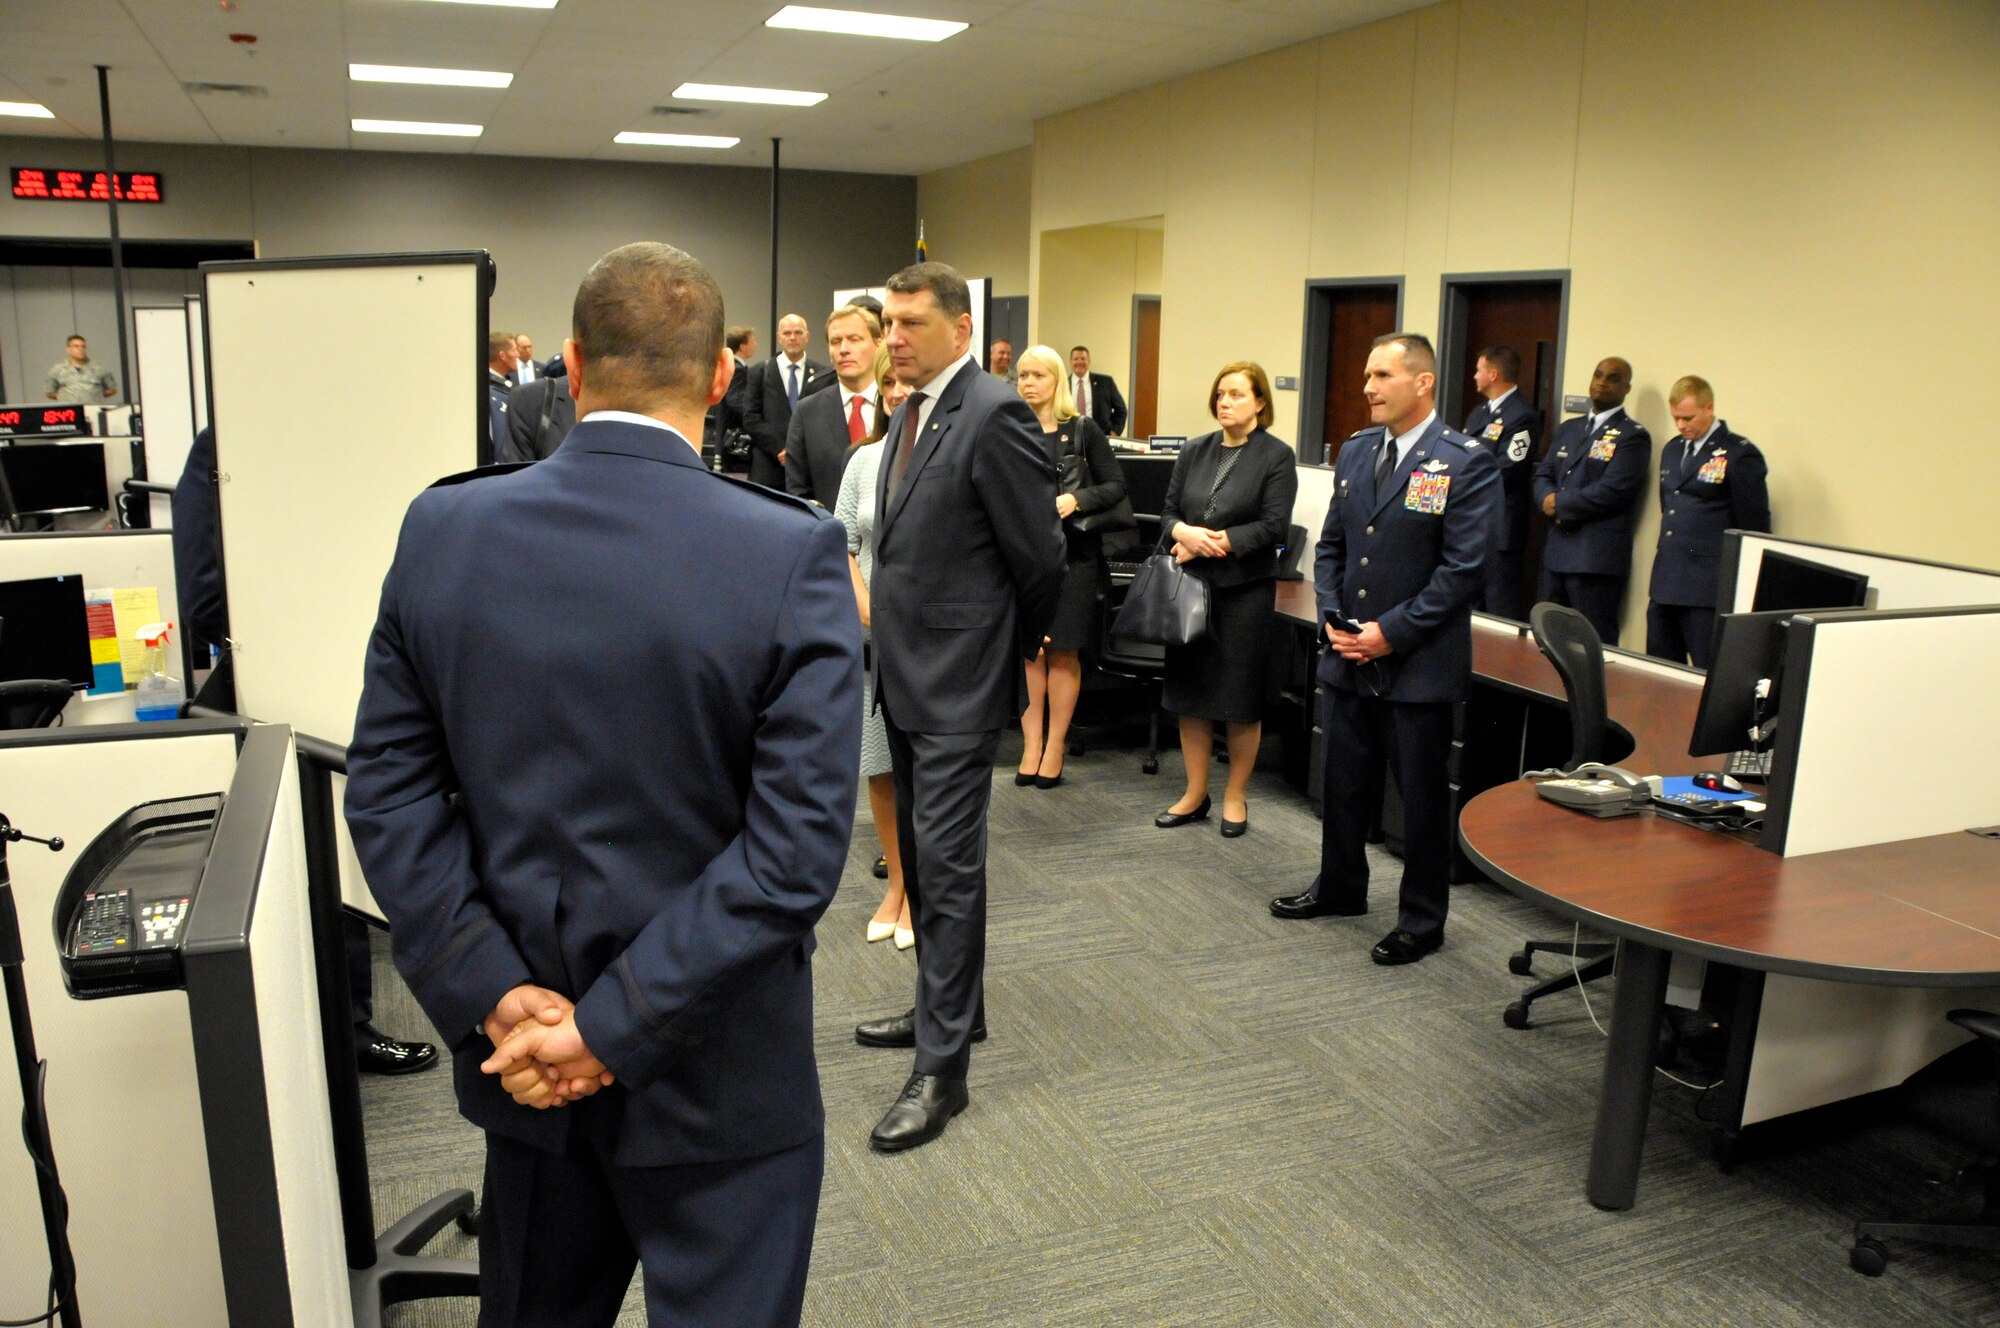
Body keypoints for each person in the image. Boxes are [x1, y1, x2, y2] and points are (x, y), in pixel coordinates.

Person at [345, 241, 860, 1327]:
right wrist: (611, 1027)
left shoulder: (444, 528)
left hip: (521, 1062)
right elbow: (792, 853)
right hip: (716, 1081)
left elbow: (388, 793)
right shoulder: (790, 554)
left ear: (570, 369)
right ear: (721, 376)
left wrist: (494, 992)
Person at [852, 261, 1065, 1153]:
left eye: (909, 323)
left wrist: (1002, 654)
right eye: (888, 322)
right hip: (906, 674)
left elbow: (1041, 555)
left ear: (960, 330)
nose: (893, 337)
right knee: (927, 861)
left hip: (959, 683)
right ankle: (953, 1012)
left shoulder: (993, 411)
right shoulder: (910, 407)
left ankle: (943, 1074)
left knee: (944, 866)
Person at [169, 424, 439, 1075]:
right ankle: (339, 1028)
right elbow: (206, 596)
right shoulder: (229, 445)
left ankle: (348, 1020)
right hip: (280, 677)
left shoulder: (378, 442)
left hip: (378, 666)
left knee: (360, 846)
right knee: (310, 856)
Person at [1271, 333, 1498, 966]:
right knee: (1340, 784)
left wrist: (1388, 633)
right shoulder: (1358, 450)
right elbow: (1336, 545)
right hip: (1349, 653)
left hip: (1416, 663)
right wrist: (1336, 619)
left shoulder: (1465, 461)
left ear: (1422, 382)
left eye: (1381, 375)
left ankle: (1422, 921)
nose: (1367, 387)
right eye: (1367, 375)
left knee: (1419, 800)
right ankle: (1340, 887)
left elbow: (1463, 572)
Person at [1152, 361, 1297, 838]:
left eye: (1236, 394)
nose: (1225, 402)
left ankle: (1235, 794)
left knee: (1238, 700)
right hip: (1191, 590)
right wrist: (1184, 532)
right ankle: (1196, 793)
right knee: (1190, 696)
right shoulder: (1195, 450)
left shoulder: (1275, 455)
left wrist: (1221, 541)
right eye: (1220, 394)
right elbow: (1168, 513)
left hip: (1244, 593)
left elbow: (1274, 526)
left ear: (1260, 402)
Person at [1014, 343, 1126, 789]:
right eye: (1022, 376)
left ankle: (1055, 745)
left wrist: (1075, 498)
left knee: (1061, 652)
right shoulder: (1009, 428)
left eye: (1037, 376)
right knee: (1030, 651)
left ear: (1056, 380)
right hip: (1024, 560)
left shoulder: (1081, 429)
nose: (1028, 384)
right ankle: (1030, 744)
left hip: (1074, 556)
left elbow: (1115, 486)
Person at [836, 345, 915, 949]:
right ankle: (898, 883)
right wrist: (869, 610)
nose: (894, 391)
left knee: (927, 772)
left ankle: (924, 890)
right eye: (886, 383)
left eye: (903, 381)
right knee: (881, 768)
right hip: (872, 640)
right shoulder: (863, 460)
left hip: (930, 644)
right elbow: (843, 541)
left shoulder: (940, 459)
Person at [1646, 375, 1772, 667]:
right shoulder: (1673, 449)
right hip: (1666, 582)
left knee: (1706, 671)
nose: (1681, 425)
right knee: (1659, 670)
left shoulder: (1738, 453)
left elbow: (1754, 527)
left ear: (1709, 408)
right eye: (1676, 418)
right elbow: (1670, 507)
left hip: (1706, 587)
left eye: (1688, 417)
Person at [1533, 356, 1651, 645]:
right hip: (1556, 552)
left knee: (1591, 644)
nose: (1601, 382)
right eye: (1598, 374)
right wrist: (1546, 498)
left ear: (1626, 388)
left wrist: (1559, 505)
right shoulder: (1570, 429)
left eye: (1612, 378)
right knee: (1547, 641)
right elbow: (1543, 474)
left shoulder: (1632, 436)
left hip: (1594, 559)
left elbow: (1613, 490)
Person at [1461, 345, 1541, 619]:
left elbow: (1509, 467)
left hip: (1502, 528)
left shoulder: (1522, 415)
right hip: (1473, 525)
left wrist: (1464, 483)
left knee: (1499, 607)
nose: (1474, 376)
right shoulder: (1479, 413)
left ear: (1493, 374)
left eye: (1478, 370)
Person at [785, 304, 881, 506]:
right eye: (836, 342)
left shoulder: (900, 404)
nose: (844, 349)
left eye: (854, 339)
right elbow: (798, 492)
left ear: (878, 344)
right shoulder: (807, 412)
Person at [742, 313, 832, 489]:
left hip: (808, 467)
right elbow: (750, 417)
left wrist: (800, 451)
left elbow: (826, 418)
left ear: (807, 336)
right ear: (779, 337)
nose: (792, 338)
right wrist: (780, 449)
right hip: (767, 466)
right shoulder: (759, 372)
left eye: (798, 332)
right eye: (787, 333)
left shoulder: (823, 375)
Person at [501, 349, 576, 465]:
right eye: (523, 347)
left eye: (529, 346)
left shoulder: (537, 367)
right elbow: (516, 471)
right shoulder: (529, 398)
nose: (527, 350)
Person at [706, 325, 757, 461]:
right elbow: (735, 401)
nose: (755, 344)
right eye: (752, 342)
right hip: (731, 436)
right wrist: (755, 415)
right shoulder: (737, 369)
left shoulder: (730, 367)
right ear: (743, 346)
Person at [1069, 345, 1128, 437]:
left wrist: (1115, 430)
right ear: (1070, 362)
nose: (1079, 362)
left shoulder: (1105, 382)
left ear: (1089, 361)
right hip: (1071, 438)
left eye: (1083, 358)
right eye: (1076, 359)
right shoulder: (1062, 385)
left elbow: (1121, 409)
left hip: (1100, 437)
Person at [44, 334, 116, 402]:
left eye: (83, 346)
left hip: (92, 409)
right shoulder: (57, 369)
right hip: (70, 411)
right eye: (76, 346)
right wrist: (65, 398)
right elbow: (49, 392)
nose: (81, 349)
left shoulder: (98, 368)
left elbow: (112, 389)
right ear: (68, 349)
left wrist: (96, 396)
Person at [486, 332, 518, 449]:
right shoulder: (488, 388)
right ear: (502, 356)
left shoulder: (508, 382)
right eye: (514, 350)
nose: (517, 355)